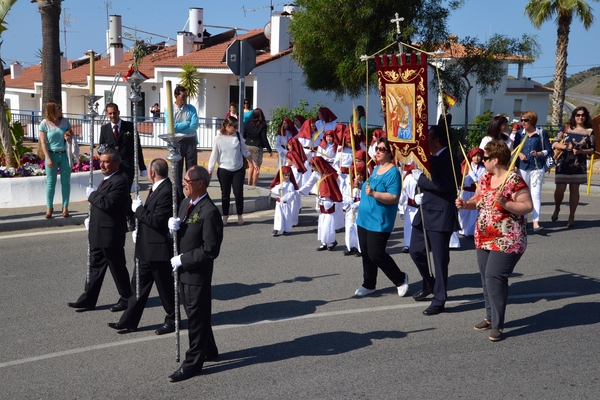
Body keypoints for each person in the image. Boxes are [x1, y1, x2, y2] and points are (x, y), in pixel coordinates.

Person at [455, 140, 533, 341]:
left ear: (495, 160)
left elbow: (527, 206)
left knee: (494, 276)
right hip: (484, 236)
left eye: (486, 157)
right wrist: (465, 204)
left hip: (508, 239)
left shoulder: (513, 180)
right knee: (485, 277)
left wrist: (506, 203)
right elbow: (478, 201)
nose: (483, 160)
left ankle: (498, 324)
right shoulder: (485, 178)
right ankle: (489, 317)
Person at [167, 165, 223, 382]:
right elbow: (182, 233)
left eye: (187, 181)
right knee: (195, 314)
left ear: (200, 183)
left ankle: (193, 363)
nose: (183, 184)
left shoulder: (209, 211)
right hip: (182, 272)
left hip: (196, 274)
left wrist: (184, 259)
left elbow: (210, 250)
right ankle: (209, 349)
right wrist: (171, 229)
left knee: (196, 319)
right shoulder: (185, 203)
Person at [107, 158, 175, 334]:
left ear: (152, 173)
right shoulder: (157, 188)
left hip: (158, 250)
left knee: (165, 289)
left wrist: (138, 210)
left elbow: (157, 221)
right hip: (146, 248)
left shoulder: (167, 190)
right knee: (137, 287)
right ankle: (128, 320)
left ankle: (173, 319)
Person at [68, 148, 132, 312]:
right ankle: (88, 299)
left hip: (110, 234)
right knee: (95, 268)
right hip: (98, 232)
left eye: (106, 162)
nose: (102, 165)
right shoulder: (107, 179)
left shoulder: (119, 181)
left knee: (117, 268)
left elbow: (108, 203)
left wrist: (92, 195)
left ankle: (127, 298)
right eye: (101, 161)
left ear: (116, 164)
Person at [410, 125, 461, 315]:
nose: (425, 142)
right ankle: (429, 283)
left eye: (428, 138)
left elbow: (447, 185)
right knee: (415, 250)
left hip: (440, 214)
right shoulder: (430, 158)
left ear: (437, 140)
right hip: (424, 211)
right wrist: (417, 194)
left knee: (439, 260)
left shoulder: (450, 159)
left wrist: (420, 181)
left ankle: (440, 299)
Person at [352, 137, 409, 297]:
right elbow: (369, 187)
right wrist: (361, 184)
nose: (377, 151)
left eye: (381, 149)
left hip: (379, 220)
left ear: (390, 153)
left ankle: (400, 279)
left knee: (376, 253)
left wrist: (374, 194)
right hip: (364, 218)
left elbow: (394, 197)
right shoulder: (376, 169)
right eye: (377, 148)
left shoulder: (393, 173)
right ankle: (369, 283)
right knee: (366, 253)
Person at [100, 102, 147, 231]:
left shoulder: (129, 126)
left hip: (127, 165)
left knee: (125, 191)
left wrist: (142, 166)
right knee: (118, 193)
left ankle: (130, 218)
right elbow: (101, 148)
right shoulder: (104, 129)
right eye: (110, 113)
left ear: (119, 112)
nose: (112, 115)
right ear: (107, 114)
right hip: (112, 166)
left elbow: (138, 147)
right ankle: (126, 216)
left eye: (114, 112)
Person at [208, 116, 258, 226]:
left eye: (237, 126)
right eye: (234, 126)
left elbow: (245, 151)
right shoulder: (218, 138)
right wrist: (210, 169)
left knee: (238, 193)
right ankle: (225, 216)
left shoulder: (238, 136)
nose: (236, 128)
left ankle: (240, 215)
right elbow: (214, 155)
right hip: (224, 170)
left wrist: (253, 162)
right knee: (225, 194)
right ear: (227, 126)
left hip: (238, 169)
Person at [551, 106, 596, 228]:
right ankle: (557, 208)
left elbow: (592, 149)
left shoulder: (589, 132)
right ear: (574, 116)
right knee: (560, 189)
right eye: (578, 115)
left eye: (583, 115)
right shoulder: (566, 128)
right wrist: (566, 147)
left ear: (586, 117)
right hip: (563, 163)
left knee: (574, 190)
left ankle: (572, 216)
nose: (580, 117)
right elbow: (554, 142)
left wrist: (582, 152)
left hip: (578, 164)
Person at [513, 110, 552, 232]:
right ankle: (523, 220)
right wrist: (520, 154)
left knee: (536, 195)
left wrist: (539, 153)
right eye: (522, 120)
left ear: (532, 121)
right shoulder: (520, 134)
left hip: (537, 167)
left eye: (526, 120)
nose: (523, 122)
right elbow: (515, 148)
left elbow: (549, 150)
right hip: (522, 167)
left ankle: (536, 222)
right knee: (523, 195)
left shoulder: (541, 133)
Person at [39, 100, 74, 219]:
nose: (60, 110)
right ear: (51, 110)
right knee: (50, 183)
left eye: (60, 107)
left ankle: (65, 207)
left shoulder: (65, 122)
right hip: (52, 155)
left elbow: (71, 134)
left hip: (64, 155)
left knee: (66, 182)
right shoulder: (44, 124)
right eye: (58, 108)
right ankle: (49, 207)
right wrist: (48, 158)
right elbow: (43, 143)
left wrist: (68, 135)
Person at [299, 156, 343, 251]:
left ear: (318, 166)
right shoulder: (316, 174)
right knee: (322, 222)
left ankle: (332, 241)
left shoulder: (329, 175)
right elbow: (309, 183)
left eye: (313, 166)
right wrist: (299, 191)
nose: (312, 169)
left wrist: (331, 198)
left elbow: (336, 186)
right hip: (320, 200)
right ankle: (323, 242)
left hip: (329, 200)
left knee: (328, 222)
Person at [165, 85, 199, 195]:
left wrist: (180, 127)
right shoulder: (170, 110)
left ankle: (192, 194)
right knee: (177, 170)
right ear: (176, 96)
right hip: (178, 142)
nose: (184, 99)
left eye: (186, 96)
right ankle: (179, 196)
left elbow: (194, 125)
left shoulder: (191, 108)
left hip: (190, 141)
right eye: (183, 96)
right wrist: (186, 123)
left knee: (192, 170)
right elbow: (171, 127)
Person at [458, 147, 486, 237]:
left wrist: (476, 178)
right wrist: (467, 178)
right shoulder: (465, 166)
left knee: (474, 212)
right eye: (475, 156)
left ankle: (471, 231)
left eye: (479, 156)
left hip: (475, 192)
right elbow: (461, 180)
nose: (477, 158)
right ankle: (462, 229)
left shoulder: (482, 168)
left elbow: (482, 180)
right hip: (465, 192)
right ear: (471, 156)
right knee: (464, 211)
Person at [244, 108, 272, 186]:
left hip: (248, 145)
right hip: (257, 147)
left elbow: (243, 134)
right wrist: (269, 150)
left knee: (251, 166)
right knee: (257, 166)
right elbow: (264, 138)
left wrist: (249, 139)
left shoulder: (249, 123)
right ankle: (254, 184)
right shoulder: (263, 125)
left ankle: (249, 183)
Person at [270, 165, 298, 236]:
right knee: (278, 216)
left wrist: (285, 198)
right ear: (281, 175)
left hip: (285, 203)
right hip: (279, 203)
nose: (287, 177)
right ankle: (276, 229)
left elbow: (292, 194)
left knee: (286, 216)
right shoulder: (279, 184)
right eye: (285, 175)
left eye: (288, 175)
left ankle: (286, 229)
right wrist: (278, 188)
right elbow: (272, 190)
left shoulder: (290, 184)